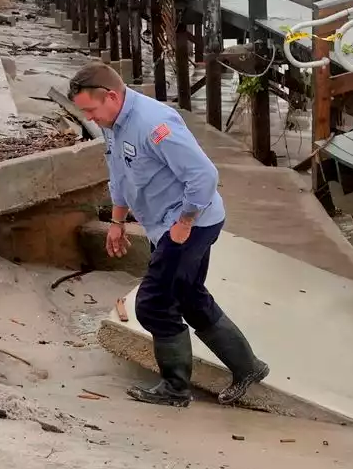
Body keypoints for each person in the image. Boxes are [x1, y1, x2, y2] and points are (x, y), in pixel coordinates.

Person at [66, 63, 270, 407]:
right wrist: (117, 222)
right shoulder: (112, 124)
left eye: (90, 110)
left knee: (154, 304)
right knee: (188, 296)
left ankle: (175, 389)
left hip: (189, 224)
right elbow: (119, 173)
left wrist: (185, 222)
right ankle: (248, 367)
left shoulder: (154, 124)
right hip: (165, 225)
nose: (90, 117)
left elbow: (204, 175)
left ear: (111, 96)